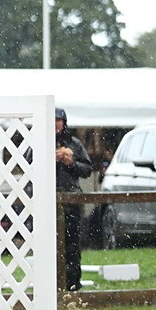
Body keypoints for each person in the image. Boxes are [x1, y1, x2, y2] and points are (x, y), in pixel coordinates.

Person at [56, 107, 93, 291]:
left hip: (71, 198)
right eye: (52, 120)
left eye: (58, 120)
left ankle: (73, 283)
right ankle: (52, 284)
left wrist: (71, 163)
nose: (55, 124)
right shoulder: (37, 141)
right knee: (49, 244)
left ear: (64, 122)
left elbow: (87, 169)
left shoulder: (74, 144)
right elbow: (28, 166)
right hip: (48, 198)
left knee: (72, 243)